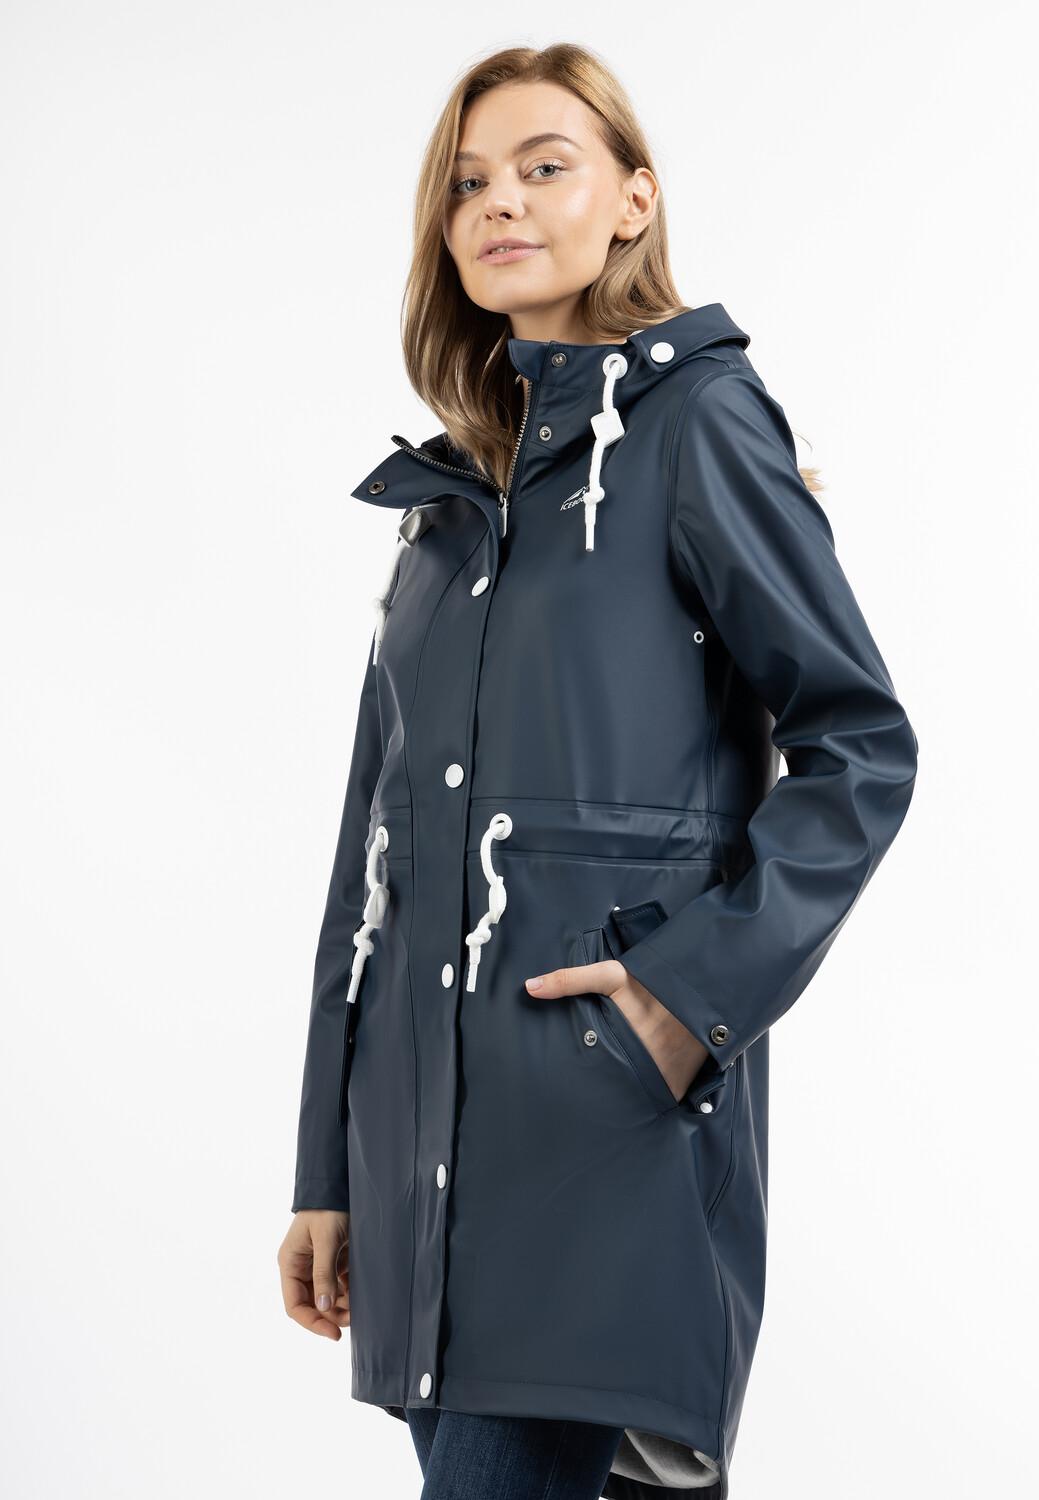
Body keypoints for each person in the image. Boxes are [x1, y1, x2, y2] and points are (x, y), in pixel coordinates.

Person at [277, 42, 919, 1500]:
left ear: (634, 198)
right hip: (422, 1161)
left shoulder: (700, 425)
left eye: (543, 165)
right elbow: (369, 860)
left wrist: (682, 999)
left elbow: (862, 744)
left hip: (601, 1141)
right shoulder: (445, 508)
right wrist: (327, 1164)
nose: (498, 202)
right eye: (466, 184)